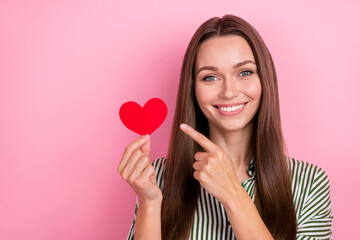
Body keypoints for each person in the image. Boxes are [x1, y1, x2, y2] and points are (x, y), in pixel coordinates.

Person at [118, 14, 333, 240]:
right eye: (210, 77)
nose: (229, 92)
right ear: (193, 89)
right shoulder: (158, 177)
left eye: (245, 72)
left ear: (264, 80)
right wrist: (149, 202)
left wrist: (232, 193)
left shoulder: (309, 183)